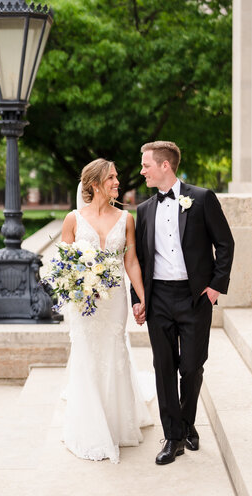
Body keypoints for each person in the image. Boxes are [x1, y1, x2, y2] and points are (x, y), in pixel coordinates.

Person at [131, 141, 234, 465]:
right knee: (163, 369)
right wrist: (139, 299)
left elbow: (225, 243)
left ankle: (188, 423)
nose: (142, 170)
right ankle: (173, 436)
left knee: (191, 367)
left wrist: (216, 287)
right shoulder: (144, 210)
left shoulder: (201, 199)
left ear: (165, 166)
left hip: (193, 298)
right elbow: (140, 259)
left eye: (146, 165)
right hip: (158, 298)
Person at [60, 158, 152, 463]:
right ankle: (90, 426)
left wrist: (143, 297)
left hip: (114, 301)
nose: (117, 182)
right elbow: (64, 266)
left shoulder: (126, 218)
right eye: (111, 178)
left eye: (116, 177)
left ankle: (114, 422)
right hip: (84, 303)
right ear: (94, 184)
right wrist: (76, 282)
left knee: (113, 353)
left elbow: (131, 262)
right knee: (87, 355)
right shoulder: (73, 219)